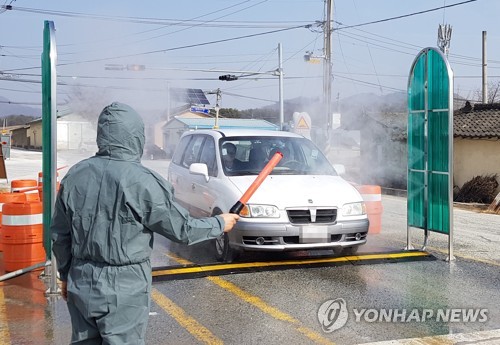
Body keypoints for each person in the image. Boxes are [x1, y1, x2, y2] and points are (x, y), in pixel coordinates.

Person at [51, 102, 239, 345]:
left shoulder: (76, 175)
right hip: (124, 284)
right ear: (136, 137)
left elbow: (59, 234)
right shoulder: (144, 181)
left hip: (81, 279)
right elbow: (182, 229)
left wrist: (66, 274)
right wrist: (218, 224)